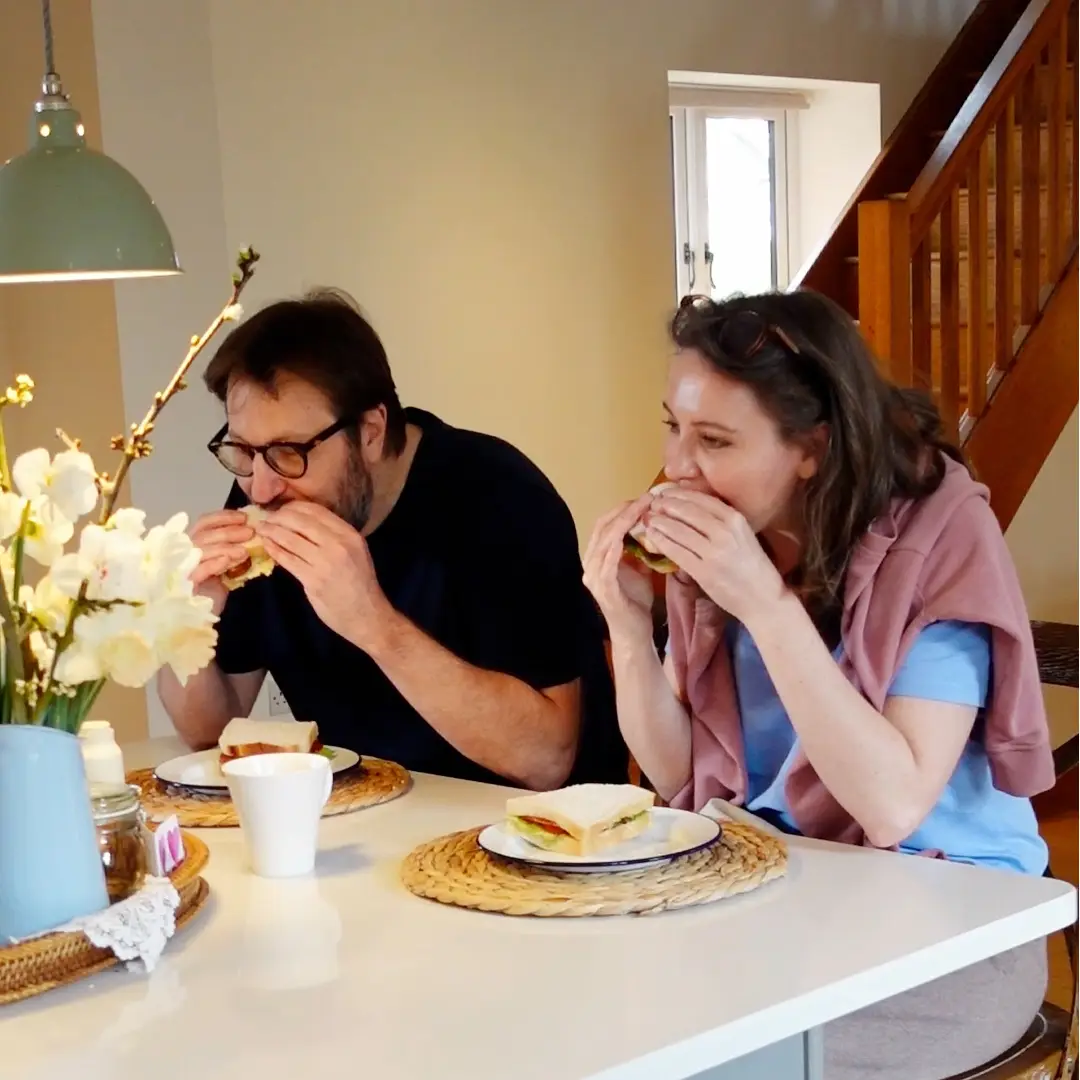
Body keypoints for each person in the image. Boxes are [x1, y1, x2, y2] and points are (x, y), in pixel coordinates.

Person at [583, 290, 1056, 1080]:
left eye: (716, 440)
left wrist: (764, 606)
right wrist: (628, 629)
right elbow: (680, 776)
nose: (677, 466)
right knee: (586, 1014)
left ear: (812, 447)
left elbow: (893, 801)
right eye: (673, 425)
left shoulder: (940, 537)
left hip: (955, 926)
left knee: (707, 1061)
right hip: (772, 897)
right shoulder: (733, 546)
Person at [158, 288, 626, 790]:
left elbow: (545, 759)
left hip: (538, 837)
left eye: (289, 451)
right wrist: (187, 619)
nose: (262, 486)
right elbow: (210, 732)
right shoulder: (269, 489)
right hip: (362, 823)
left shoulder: (500, 497)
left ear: (372, 431)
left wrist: (373, 623)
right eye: (243, 450)